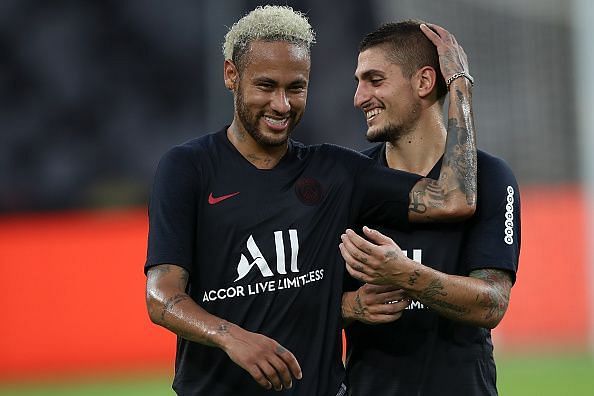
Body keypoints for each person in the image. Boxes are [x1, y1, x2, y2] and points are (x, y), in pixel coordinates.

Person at [144, 6, 477, 395]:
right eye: (266, 86)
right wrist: (231, 336)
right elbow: (161, 295)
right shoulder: (188, 168)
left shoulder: (335, 172)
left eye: (296, 88)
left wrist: (459, 86)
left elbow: (454, 198)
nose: (282, 105)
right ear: (231, 75)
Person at [340, 20, 521, 395]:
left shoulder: (490, 176)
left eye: (374, 80)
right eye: (358, 82)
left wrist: (405, 273)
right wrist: (349, 306)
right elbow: (307, 297)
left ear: (423, 83)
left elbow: (491, 304)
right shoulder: (350, 181)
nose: (359, 97)